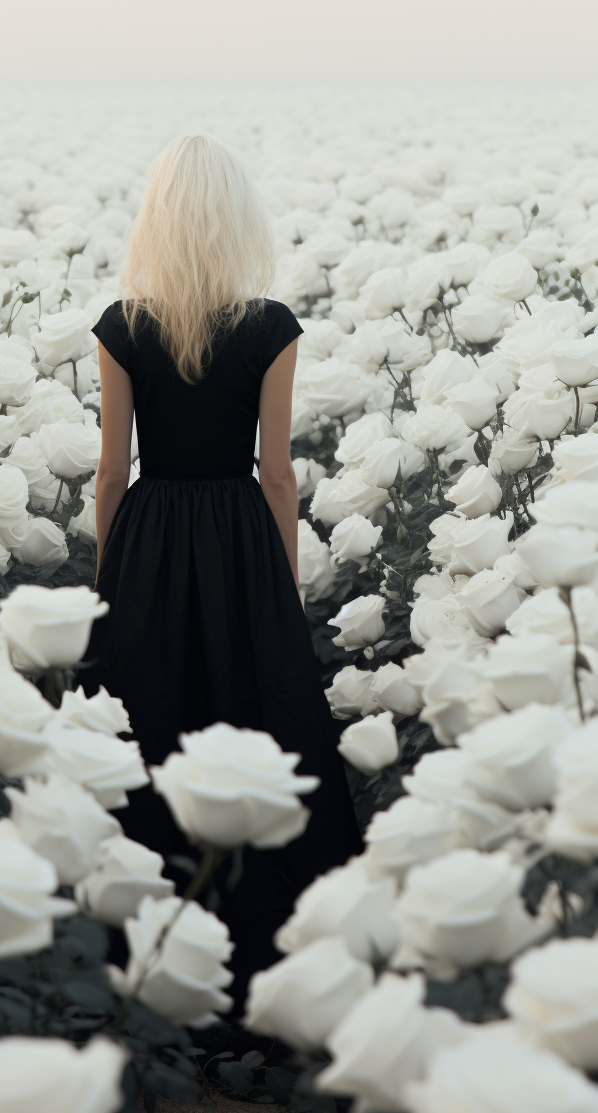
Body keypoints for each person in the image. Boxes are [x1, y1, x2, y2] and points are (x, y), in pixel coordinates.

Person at [80, 133, 362, 1010]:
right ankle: (271, 949)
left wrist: (108, 566)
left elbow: (110, 471)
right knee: (255, 707)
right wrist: (279, 580)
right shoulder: (270, 327)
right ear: (236, 220)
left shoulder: (123, 326)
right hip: (239, 533)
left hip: (151, 531)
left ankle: (144, 937)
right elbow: (277, 472)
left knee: (149, 712)